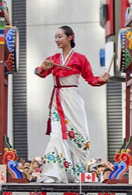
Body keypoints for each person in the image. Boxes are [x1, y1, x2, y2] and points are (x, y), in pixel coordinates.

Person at [34, 26, 109, 182]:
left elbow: (91, 79)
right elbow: (39, 72)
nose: (56, 39)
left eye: (60, 36)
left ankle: (74, 173)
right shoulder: (53, 59)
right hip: (58, 99)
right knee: (57, 136)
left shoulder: (81, 58)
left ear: (69, 38)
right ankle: (51, 174)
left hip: (74, 98)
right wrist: (42, 68)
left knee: (80, 136)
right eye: (55, 37)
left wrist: (102, 80)